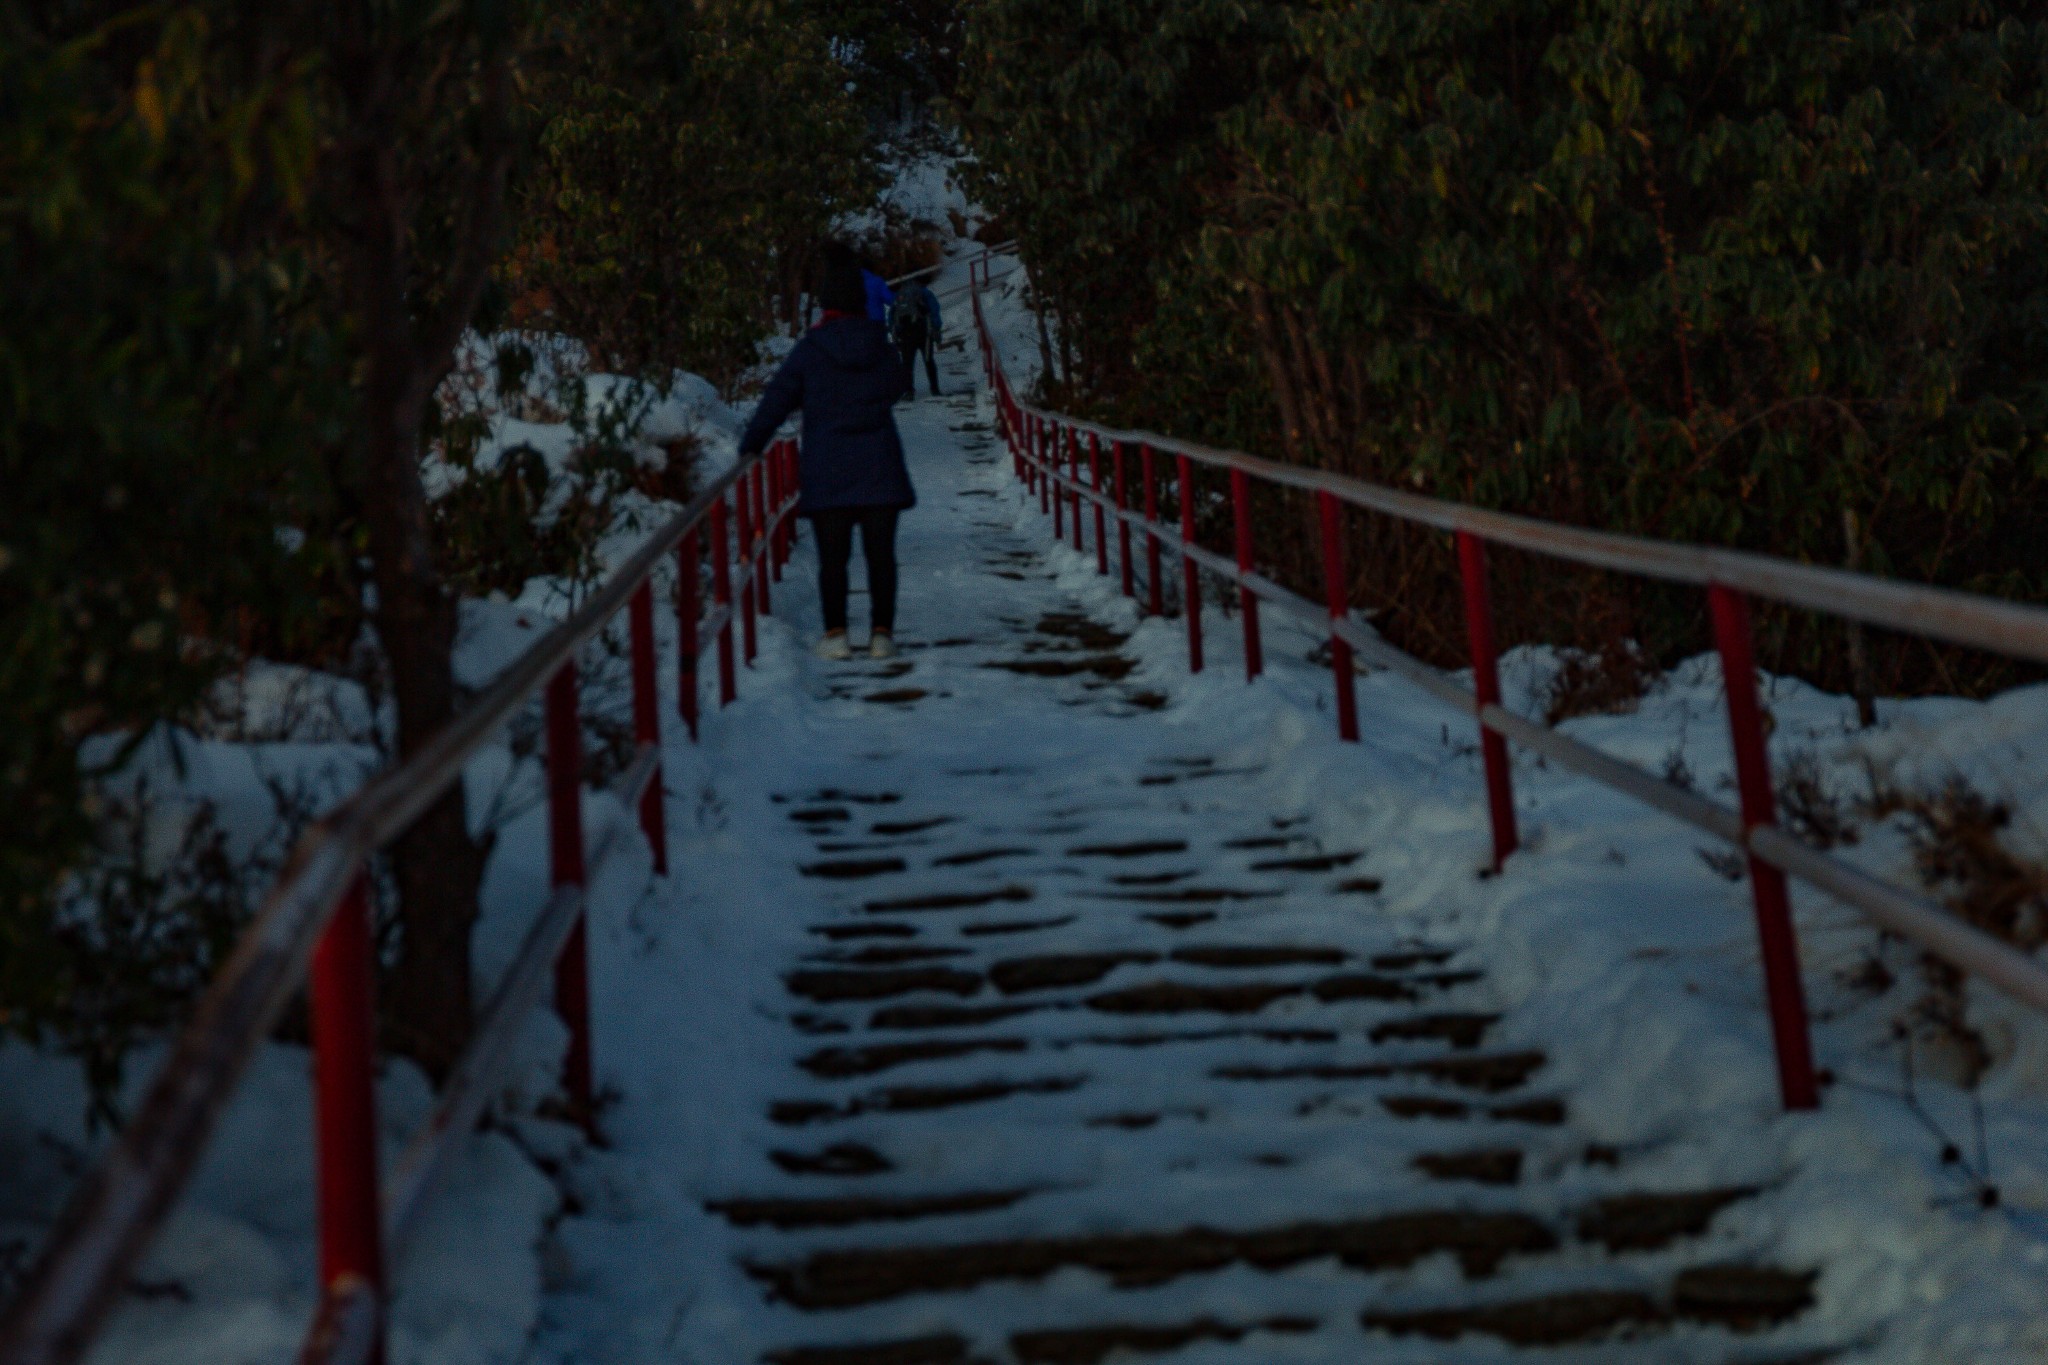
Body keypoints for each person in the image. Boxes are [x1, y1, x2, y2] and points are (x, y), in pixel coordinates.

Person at [739, 256, 914, 661]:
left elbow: (776, 401)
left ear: (825, 304)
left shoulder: (810, 350)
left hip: (828, 466)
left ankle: (835, 634)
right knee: (881, 556)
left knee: (833, 559)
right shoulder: (879, 345)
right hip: (879, 465)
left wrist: (751, 446)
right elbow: (896, 386)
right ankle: (881, 635)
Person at [889, 284, 943, 399]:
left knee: (907, 363)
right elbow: (934, 309)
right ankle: (935, 389)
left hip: (905, 333)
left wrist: (895, 333)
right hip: (923, 331)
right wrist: (936, 328)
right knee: (928, 360)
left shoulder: (899, 295)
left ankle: (909, 391)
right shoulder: (924, 292)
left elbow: (891, 315)